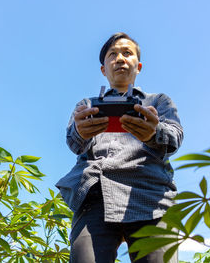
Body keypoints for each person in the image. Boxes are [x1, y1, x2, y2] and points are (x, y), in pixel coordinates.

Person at [55, 32, 183, 263]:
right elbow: (74, 143)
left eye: (127, 53)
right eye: (112, 55)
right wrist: (80, 131)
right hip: (96, 194)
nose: (120, 58)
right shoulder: (87, 105)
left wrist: (155, 132)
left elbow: (175, 137)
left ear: (138, 65)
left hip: (148, 194)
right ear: (104, 69)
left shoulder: (159, 101)